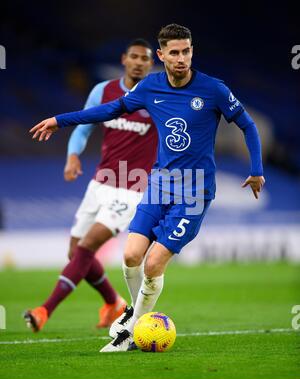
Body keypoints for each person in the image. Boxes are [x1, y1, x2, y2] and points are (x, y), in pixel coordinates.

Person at [29, 23, 265, 351]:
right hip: (158, 185)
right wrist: (60, 120)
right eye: (174, 52)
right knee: (130, 255)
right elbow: (108, 110)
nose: (181, 58)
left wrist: (256, 169)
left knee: (153, 263)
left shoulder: (213, 89)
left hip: (194, 192)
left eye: (186, 51)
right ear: (162, 55)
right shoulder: (151, 87)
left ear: (191, 51)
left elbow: (247, 125)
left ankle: (130, 332)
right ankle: (136, 315)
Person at [24, 38, 158, 332]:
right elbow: (84, 128)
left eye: (144, 58)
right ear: (124, 59)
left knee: (86, 247)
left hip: (132, 189)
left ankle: (45, 310)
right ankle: (113, 303)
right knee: (76, 252)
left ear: (151, 63)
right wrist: (73, 156)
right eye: (133, 56)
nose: (138, 62)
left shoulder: (157, 97)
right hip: (100, 182)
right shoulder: (103, 91)